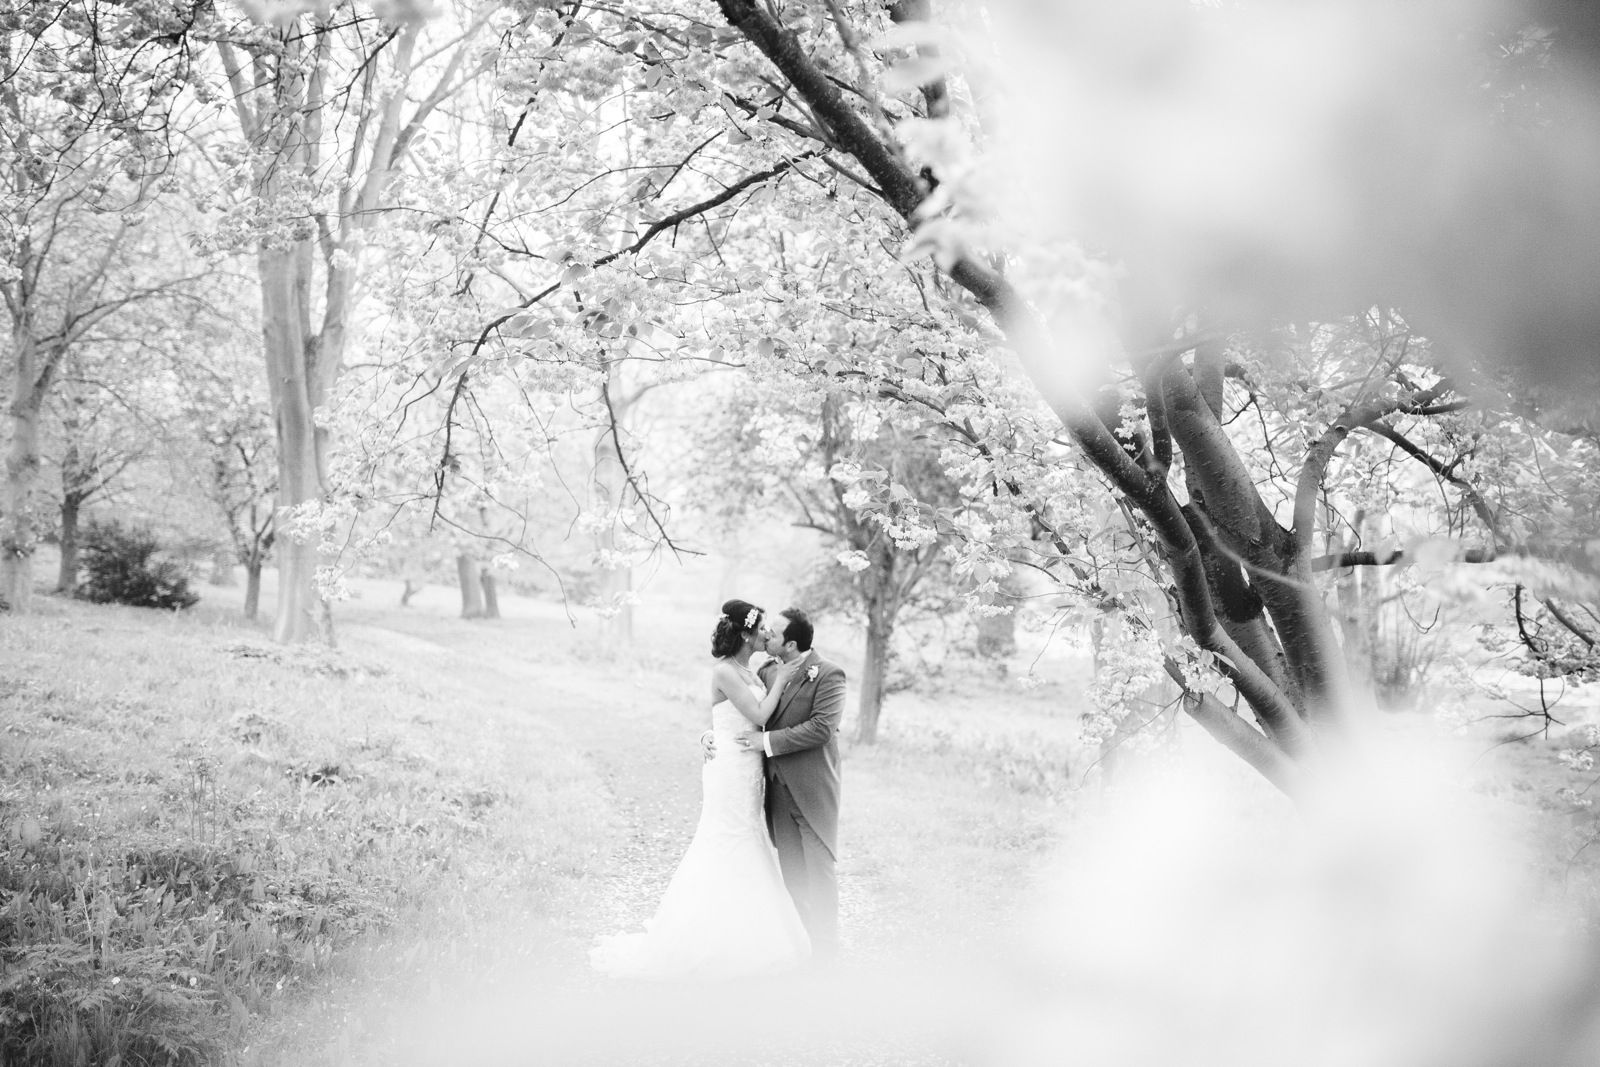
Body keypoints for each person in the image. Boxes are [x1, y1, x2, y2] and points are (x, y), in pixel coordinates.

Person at [590, 600, 810, 980]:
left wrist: (709, 732)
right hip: (729, 769)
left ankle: (746, 936)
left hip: (748, 766)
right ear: (747, 634)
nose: (767, 635)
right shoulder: (724, 670)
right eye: (762, 629)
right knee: (726, 839)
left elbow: (728, 717)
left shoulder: (751, 671)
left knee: (749, 837)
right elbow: (758, 715)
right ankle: (707, 939)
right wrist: (785, 678)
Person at [738, 607, 845, 960]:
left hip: (812, 789)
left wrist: (767, 742)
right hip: (777, 792)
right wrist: (710, 735)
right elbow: (742, 714)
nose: (766, 634)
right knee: (793, 876)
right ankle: (804, 946)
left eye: (774, 632)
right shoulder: (766, 671)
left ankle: (827, 955)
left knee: (819, 873)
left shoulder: (829, 674)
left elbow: (821, 728)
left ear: (791, 644)